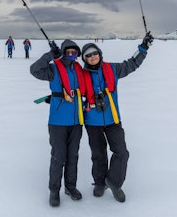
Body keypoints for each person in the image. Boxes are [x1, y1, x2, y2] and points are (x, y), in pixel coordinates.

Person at [80, 31, 154, 203]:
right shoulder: (80, 76)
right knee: (98, 154)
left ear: (100, 54)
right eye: (88, 55)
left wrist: (143, 48)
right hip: (92, 122)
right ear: (84, 59)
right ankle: (99, 183)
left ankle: (114, 182)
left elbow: (132, 63)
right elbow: (66, 84)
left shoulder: (113, 69)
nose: (92, 57)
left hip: (113, 119)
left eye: (95, 53)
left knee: (122, 152)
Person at [30, 39, 85, 207]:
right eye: (67, 52)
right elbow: (34, 70)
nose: (71, 55)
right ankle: (54, 190)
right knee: (58, 156)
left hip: (77, 121)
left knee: (73, 156)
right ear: (62, 52)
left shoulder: (79, 69)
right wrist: (50, 55)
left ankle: (70, 186)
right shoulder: (53, 69)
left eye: (74, 52)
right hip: (58, 121)